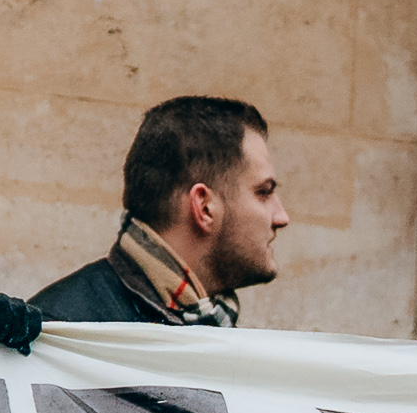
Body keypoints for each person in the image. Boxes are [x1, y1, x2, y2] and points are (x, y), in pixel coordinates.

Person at [36, 96, 287, 327]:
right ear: (205, 207)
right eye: (264, 192)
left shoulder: (212, 320)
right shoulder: (61, 331)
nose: (281, 218)